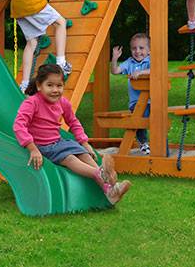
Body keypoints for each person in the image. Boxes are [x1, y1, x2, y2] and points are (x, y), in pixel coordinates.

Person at [14, 63, 131, 205]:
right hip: (41, 146)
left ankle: (110, 191)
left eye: (59, 86)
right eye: (50, 85)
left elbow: (73, 122)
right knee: (69, 158)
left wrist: (85, 143)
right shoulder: (32, 103)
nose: (55, 90)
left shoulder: (63, 102)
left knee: (84, 155)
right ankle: (101, 175)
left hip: (58, 142)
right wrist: (32, 148)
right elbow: (19, 126)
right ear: (39, 86)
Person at [110, 33, 151, 154]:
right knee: (138, 119)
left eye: (141, 48)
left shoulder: (150, 61)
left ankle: (157, 143)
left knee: (155, 120)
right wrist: (114, 58)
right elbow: (115, 71)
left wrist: (141, 72)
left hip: (152, 100)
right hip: (135, 102)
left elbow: (155, 69)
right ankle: (143, 143)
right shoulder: (129, 62)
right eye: (134, 48)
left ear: (149, 50)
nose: (137, 51)